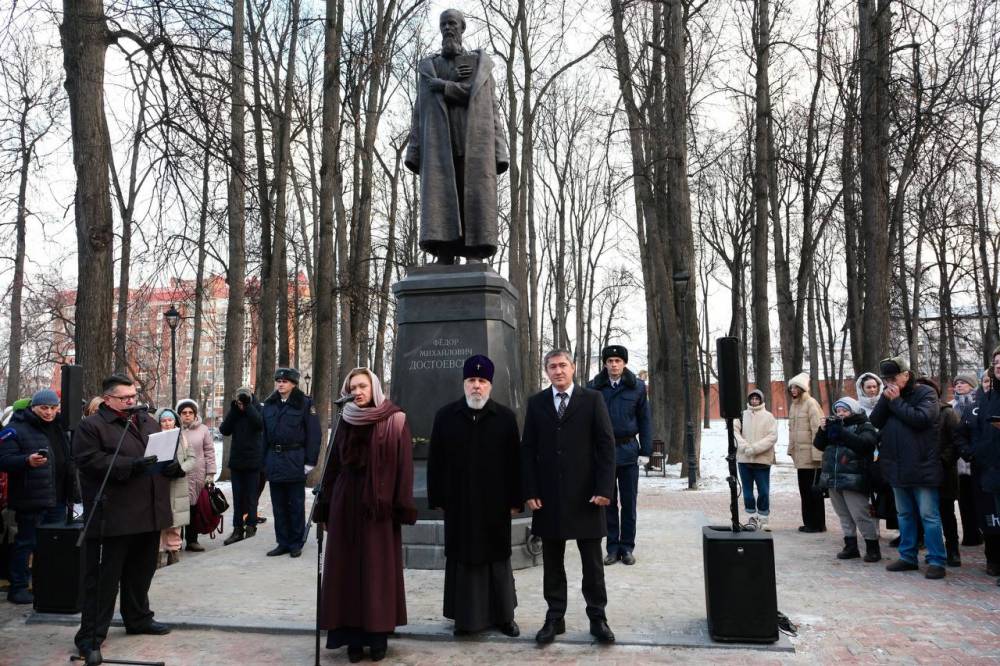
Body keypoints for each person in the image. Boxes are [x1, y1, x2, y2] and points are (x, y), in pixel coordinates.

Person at [73, 375, 182, 662]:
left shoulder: (146, 421)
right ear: (108, 399)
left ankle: (138, 618)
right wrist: (131, 465)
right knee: (104, 580)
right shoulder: (92, 426)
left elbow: (161, 452)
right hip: (114, 515)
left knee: (141, 572)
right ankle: (91, 636)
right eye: (125, 398)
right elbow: (89, 461)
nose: (132, 401)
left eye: (133, 395)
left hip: (149, 511)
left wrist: (171, 466)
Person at [317, 368, 416, 662]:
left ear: (374, 387)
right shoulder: (344, 420)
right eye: (353, 388)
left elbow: (404, 466)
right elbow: (332, 465)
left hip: (378, 506)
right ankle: (352, 639)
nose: (358, 392)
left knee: (377, 571)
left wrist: (400, 504)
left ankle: (377, 636)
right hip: (346, 502)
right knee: (345, 571)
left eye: (363, 386)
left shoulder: (394, 419)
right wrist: (325, 505)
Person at [522, 349, 616, 646]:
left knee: (592, 563)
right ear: (546, 371)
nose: (558, 371)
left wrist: (604, 489)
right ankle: (554, 617)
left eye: (563, 365)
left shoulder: (592, 400)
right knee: (552, 563)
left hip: (587, 496)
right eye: (552, 366)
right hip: (549, 497)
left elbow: (606, 445)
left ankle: (598, 617)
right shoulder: (536, 403)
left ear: (573, 368)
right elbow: (528, 450)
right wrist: (530, 490)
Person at [404, 8, 509, 263]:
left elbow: (491, 107)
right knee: (443, 197)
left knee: (471, 196)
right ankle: (445, 250)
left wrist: (500, 151)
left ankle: (474, 251)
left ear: (462, 28)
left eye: (452, 24)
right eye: (443, 25)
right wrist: (414, 150)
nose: (447, 29)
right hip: (439, 146)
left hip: (475, 144)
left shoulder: (477, 65)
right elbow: (419, 111)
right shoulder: (431, 67)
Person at [428, 355, 521, 637]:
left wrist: (516, 500)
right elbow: (436, 461)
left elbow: (515, 463)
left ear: (490, 385)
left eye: (482, 381)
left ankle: (504, 616)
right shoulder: (445, 416)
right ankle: (466, 619)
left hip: (495, 505)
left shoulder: (505, 418)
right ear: (464, 383)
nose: (476, 386)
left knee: (497, 558)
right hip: (459, 505)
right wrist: (438, 497)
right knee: (463, 558)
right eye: (471, 380)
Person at [870, 355, 946, 579]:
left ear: (906, 375)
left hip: (922, 466)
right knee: (904, 515)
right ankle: (908, 556)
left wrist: (896, 402)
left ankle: (936, 560)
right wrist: (886, 400)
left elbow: (922, 419)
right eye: (886, 379)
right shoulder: (889, 395)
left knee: (929, 516)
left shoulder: (926, 393)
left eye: (893, 378)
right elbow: (875, 421)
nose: (889, 383)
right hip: (897, 466)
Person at [0, 389, 77, 604]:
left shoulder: (60, 427)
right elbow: (4, 460)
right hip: (31, 498)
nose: (49, 412)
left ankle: (45, 584)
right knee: (26, 543)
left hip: (58, 498)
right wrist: (26, 461)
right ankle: (18, 587)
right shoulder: (16, 429)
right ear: (33, 407)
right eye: (44, 408)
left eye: (53, 408)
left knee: (51, 545)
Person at [587, 345, 651, 566]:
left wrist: (645, 451)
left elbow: (645, 419)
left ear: (624, 363)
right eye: (610, 361)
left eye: (618, 361)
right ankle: (612, 548)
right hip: (603, 453)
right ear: (605, 363)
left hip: (628, 451)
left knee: (629, 502)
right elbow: (587, 423)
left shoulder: (637, 387)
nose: (614, 365)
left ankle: (627, 547)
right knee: (608, 502)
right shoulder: (594, 387)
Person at [262, 367, 320, 558]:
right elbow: (263, 436)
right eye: (278, 381)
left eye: (285, 381)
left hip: (295, 459)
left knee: (295, 504)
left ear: (293, 384)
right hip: (274, 459)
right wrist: (264, 461)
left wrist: (309, 462)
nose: (280, 384)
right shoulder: (269, 404)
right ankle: (283, 542)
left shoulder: (304, 403)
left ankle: (296, 542)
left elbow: (314, 434)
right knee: (278, 505)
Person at [813, 397, 880, 562]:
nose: (841, 414)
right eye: (838, 411)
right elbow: (819, 445)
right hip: (834, 477)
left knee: (860, 514)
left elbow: (865, 445)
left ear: (853, 410)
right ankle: (850, 546)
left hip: (854, 479)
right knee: (843, 515)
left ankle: (872, 548)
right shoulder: (834, 426)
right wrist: (822, 430)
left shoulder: (864, 425)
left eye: (845, 410)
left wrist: (842, 431)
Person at [917, 377, 964, 567]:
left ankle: (952, 550)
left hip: (944, 472)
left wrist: (943, 460)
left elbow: (956, 440)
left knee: (946, 513)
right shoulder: (915, 414)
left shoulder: (947, 412)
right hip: (921, 472)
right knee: (926, 514)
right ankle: (933, 549)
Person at [963, 351, 1000, 583]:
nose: (998, 366)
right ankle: (994, 560)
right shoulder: (986, 399)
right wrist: (974, 453)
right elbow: (975, 432)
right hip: (990, 468)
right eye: (996, 363)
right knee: (994, 520)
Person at [219, 387, 264, 545]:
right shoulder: (235, 412)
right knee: (237, 498)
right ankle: (237, 529)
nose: (241, 402)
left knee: (252, 497)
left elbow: (259, 424)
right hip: (237, 462)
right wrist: (234, 410)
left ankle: (251, 526)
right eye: (239, 398)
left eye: (243, 398)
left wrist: (248, 406)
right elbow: (224, 430)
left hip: (253, 461)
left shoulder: (257, 408)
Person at [786, 372, 826, 533]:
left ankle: (818, 524)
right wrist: (791, 450)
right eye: (791, 387)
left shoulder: (811, 403)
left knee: (813, 491)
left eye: (796, 387)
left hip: (812, 457)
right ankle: (809, 522)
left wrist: (818, 455)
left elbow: (818, 430)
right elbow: (792, 430)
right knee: (804, 491)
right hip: (801, 457)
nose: (793, 390)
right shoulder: (794, 405)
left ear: (803, 388)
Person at [175, 399, 216, 552]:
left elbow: (209, 451)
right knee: (179, 508)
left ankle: (192, 540)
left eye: (190, 412)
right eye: (184, 413)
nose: (187, 415)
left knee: (194, 508)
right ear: (179, 414)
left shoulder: (203, 430)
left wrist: (210, 473)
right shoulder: (174, 429)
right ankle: (176, 542)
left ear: (195, 414)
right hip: (179, 474)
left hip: (198, 475)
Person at [154, 408, 194, 567]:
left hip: (178, 485)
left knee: (175, 523)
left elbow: (192, 458)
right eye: (163, 421)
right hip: (159, 484)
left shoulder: (182, 437)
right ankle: (157, 556)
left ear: (175, 421)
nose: (167, 423)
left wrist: (181, 468)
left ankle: (174, 554)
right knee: (159, 523)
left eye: (170, 420)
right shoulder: (154, 438)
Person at [734, 389, 778, 531]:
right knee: (747, 493)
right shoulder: (741, 416)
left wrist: (755, 449)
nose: (754, 401)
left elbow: (772, 437)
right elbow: (735, 433)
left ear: (761, 400)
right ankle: (751, 517)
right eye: (752, 398)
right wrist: (745, 447)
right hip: (744, 460)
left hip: (762, 460)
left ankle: (763, 518)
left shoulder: (769, 417)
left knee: (763, 491)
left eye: (757, 399)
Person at [952, 373, 983, 547]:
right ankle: (970, 535)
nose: (959, 385)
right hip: (958, 462)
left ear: (972, 385)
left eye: (963, 382)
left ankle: (984, 531)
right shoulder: (951, 406)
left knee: (981, 499)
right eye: (957, 383)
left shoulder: (980, 404)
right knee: (964, 501)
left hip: (979, 460)